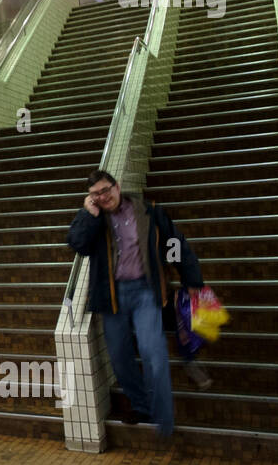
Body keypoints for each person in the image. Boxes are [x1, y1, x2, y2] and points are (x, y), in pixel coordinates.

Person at [66, 170, 206, 436]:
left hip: (145, 292)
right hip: (111, 296)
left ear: (117, 186)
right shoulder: (95, 218)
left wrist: (193, 281)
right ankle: (141, 405)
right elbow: (77, 245)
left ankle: (164, 420)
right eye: (96, 194)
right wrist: (88, 214)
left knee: (153, 352)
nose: (103, 197)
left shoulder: (149, 211)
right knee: (120, 358)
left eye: (106, 190)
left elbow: (175, 243)